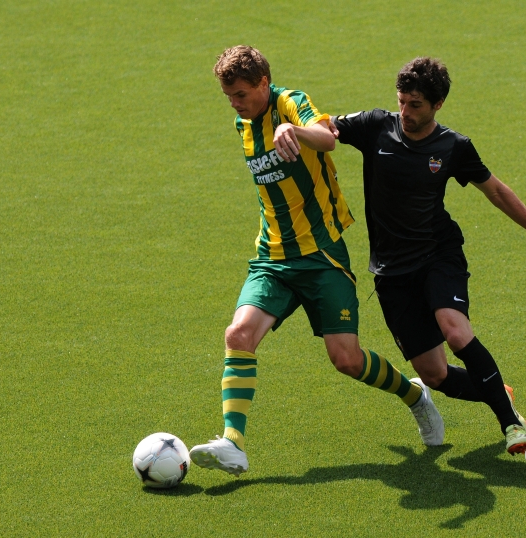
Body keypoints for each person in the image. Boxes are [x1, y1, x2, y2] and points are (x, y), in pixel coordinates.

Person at [189, 46, 444, 478]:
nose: (235, 103)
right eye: (229, 95)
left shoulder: (290, 102)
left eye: (242, 94)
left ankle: (415, 396)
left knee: (346, 359)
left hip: (322, 255)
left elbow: (328, 137)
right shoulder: (242, 124)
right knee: (239, 333)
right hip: (273, 256)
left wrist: (294, 129)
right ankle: (233, 443)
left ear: (264, 84)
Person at [331, 57, 526, 455]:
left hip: (437, 254)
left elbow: (494, 190)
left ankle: (512, 424)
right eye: (402, 102)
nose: (406, 113)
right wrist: (293, 127)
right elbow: (325, 125)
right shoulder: (376, 125)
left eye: (416, 105)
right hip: (392, 271)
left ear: (438, 104)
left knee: (455, 330)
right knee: (436, 375)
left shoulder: (452, 146)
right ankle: (498, 389)